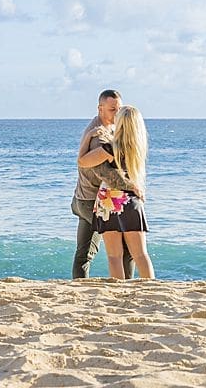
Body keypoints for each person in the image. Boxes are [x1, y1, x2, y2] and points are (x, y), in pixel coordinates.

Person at [81, 105, 156, 279]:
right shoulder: (138, 148)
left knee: (114, 257)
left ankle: (120, 292)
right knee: (141, 255)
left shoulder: (110, 148)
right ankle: (151, 286)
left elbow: (83, 161)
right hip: (132, 202)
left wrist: (88, 136)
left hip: (109, 202)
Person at [71, 88, 135, 278]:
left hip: (82, 199)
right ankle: (126, 286)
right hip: (93, 202)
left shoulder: (106, 128)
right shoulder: (99, 137)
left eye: (119, 109)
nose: (117, 113)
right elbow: (104, 173)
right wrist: (133, 187)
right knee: (126, 248)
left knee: (84, 253)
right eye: (112, 110)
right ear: (100, 108)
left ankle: (80, 287)